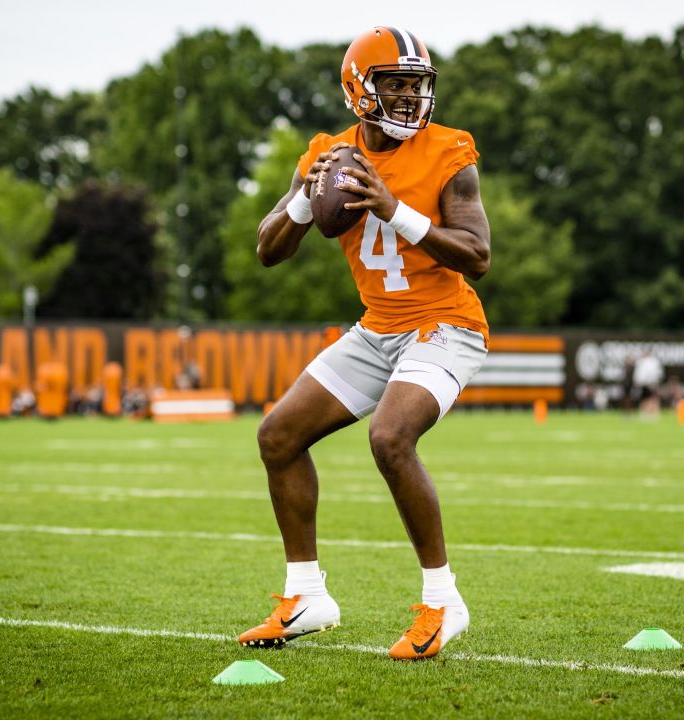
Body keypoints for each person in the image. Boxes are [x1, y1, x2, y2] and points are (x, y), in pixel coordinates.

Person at [239, 26, 490, 661]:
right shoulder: (329, 152)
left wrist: (392, 207)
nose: (410, 99)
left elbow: (478, 255)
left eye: (417, 86)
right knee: (278, 436)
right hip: (379, 326)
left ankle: (443, 601)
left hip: (445, 323)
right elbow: (268, 249)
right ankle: (306, 596)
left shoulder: (449, 152)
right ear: (360, 89)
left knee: (390, 437)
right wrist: (305, 198)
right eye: (395, 85)